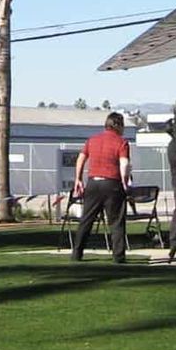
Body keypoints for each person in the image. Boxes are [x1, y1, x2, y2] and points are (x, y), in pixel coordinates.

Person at [70, 112, 131, 263]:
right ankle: (118, 256)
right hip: (112, 184)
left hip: (93, 183)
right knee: (116, 222)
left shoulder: (92, 140)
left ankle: (77, 254)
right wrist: (125, 182)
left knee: (86, 220)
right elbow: (124, 164)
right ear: (117, 125)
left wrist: (78, 179)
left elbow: (81, 158)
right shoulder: (121, 142)